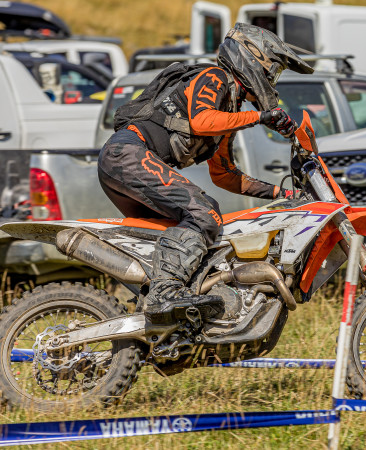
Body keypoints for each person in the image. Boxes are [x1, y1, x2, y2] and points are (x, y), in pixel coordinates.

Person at [98, 23, 314, 324]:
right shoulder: (213, 78)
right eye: (272, 70)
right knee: (204, 213)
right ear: (251, 57)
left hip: (126, 161)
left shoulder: (229, 111)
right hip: (127, 153)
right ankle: (164, 295)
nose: (272, 79)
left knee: (177, 232)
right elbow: (201, 120)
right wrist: (261, 116)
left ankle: (158, 317)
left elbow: (224, 175)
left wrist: (283, 193)